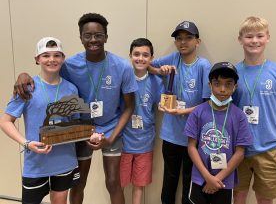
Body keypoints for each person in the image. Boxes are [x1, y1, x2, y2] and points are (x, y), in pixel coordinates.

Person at [13, 13, 138, 204]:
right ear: (80, 38)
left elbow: (130, 107)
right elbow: (48, 73)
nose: (93, 39)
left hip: (111, 128)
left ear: (106, 36)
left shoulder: (122, 66)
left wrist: (110, 138)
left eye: (98, 35)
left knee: (113, 182)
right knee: (78, 184)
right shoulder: (69, 65)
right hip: (79, 130)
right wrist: (23, 75)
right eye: (88, 35)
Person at [0, 37, 79, 204]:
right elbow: (5, 121)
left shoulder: (72, 89)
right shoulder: (27, 88)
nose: (52, 60)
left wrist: (91, 135)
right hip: (36, 162)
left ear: (63, 58)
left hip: (64, 159)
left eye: (57, 55)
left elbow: (75, 124)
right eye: (46, 55)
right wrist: (26, 143)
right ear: (37, 59)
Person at [233, 16, 276, 204]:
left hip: (270, 148)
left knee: (265, 199)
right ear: (240, 39)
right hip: (239, 148)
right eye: (249, 36)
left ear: (267, 37)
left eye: (259, 35)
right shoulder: (232, 73)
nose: (254, 41)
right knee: (238, 196)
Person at [149, 21, 211, 204]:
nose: (183, 42)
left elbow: (207, 104)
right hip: (170, 134)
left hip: (193, 137)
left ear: (197, 42)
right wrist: (160, 70)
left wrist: (182, 111)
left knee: (189, 181)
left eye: (188, 38)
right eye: (179, 39)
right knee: (169, 178)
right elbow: (147, 66)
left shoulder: (204, 66)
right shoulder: (172, 59)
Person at [184, 62, 252, 204]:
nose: (222, 89)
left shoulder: (239, 116)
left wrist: (218, 178)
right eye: (217, 83)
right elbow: (191, 147)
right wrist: (207, 177)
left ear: (235, 87)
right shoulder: (198, 112)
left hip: (225, 180)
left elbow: (240, 153)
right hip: (200, 178)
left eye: (228, 84)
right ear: (209, 85)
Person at [119, 38, 164, 204]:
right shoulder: (122, 78)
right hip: (122, 140)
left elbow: (161, 105)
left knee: (139, 185)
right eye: (136, 54)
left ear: (151, 58)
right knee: (119, 184)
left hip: (145, 141)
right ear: (130, 55)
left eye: (145, 55)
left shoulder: (156, 82)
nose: (140, 58)